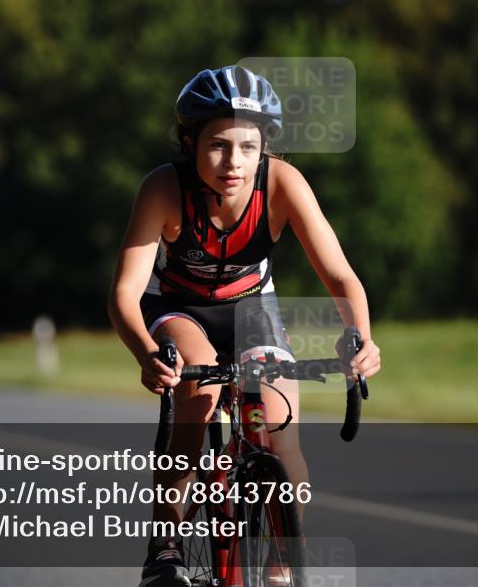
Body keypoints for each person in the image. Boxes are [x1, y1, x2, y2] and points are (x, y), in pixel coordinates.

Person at [108, 65, 382, 587]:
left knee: (280, 432)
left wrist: (361, 337)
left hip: (253, 306)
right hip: (178, 307)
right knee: (201, 391)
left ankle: (281, 568)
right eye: (217, 146)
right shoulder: (164, 189)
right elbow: (123, 294)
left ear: (264, 149)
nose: (234, 162)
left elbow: (341, 276)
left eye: (249, 147)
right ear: (190, 143)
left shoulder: (282, 183)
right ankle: (165, 548)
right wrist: (146, 352)